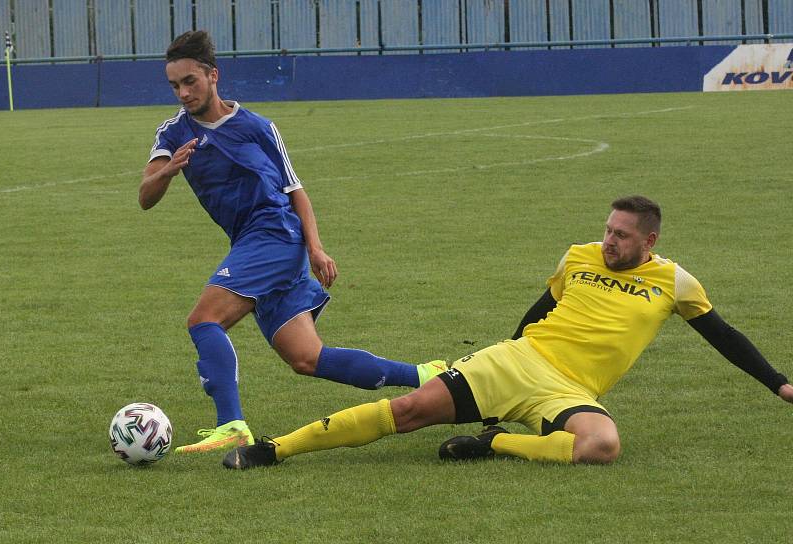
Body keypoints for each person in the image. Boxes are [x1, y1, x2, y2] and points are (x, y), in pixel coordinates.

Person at [223, 195, 793, 469]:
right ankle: (274, 449)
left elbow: (725, 337)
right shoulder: (580, 257)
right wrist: (505, 354)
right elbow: (537, 312)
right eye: (608, 230)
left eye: (622, 236)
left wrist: (780, 384)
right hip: (519, 362)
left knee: (602, 445)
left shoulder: (675, 283)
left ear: (648, 242)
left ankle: (494, 442)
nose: (609, 241)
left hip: (570, 392)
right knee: (408, 412)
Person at [139, 30, 446, 454]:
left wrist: (316, 247)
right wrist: (168, 171)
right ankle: (426, 375)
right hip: (249, 242)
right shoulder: (173, 133)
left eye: (190, 81)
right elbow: (145, 197)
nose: (183, 92)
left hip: (275, 236)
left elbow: (294, 190)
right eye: (174, 85)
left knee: (203, 320)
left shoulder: (257, 127)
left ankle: (231, 425)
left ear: (213, 75)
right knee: (307, 358)